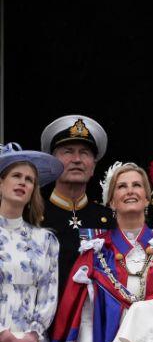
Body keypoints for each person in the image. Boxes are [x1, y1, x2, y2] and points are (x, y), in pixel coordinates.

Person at [50, 162, 153, 342]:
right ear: (111, 202)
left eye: (137, 185)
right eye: (122, 186)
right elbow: (86, 315)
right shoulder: (95, 253)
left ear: (147, 198)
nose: (130, 190)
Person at [0, 144, 63, 342]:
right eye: (16, 176)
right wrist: (5, 337)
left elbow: (49, 294)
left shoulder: (45, 240)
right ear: (1, 182)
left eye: (29, 180)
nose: (22, 182)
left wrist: (31, 337)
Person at [40, 115, 114, 298]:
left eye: (85, 153)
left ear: (93, 167)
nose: (77, 159)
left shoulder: (108, 219)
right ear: (52, 162)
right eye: (68, 151)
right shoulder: (33, 215)